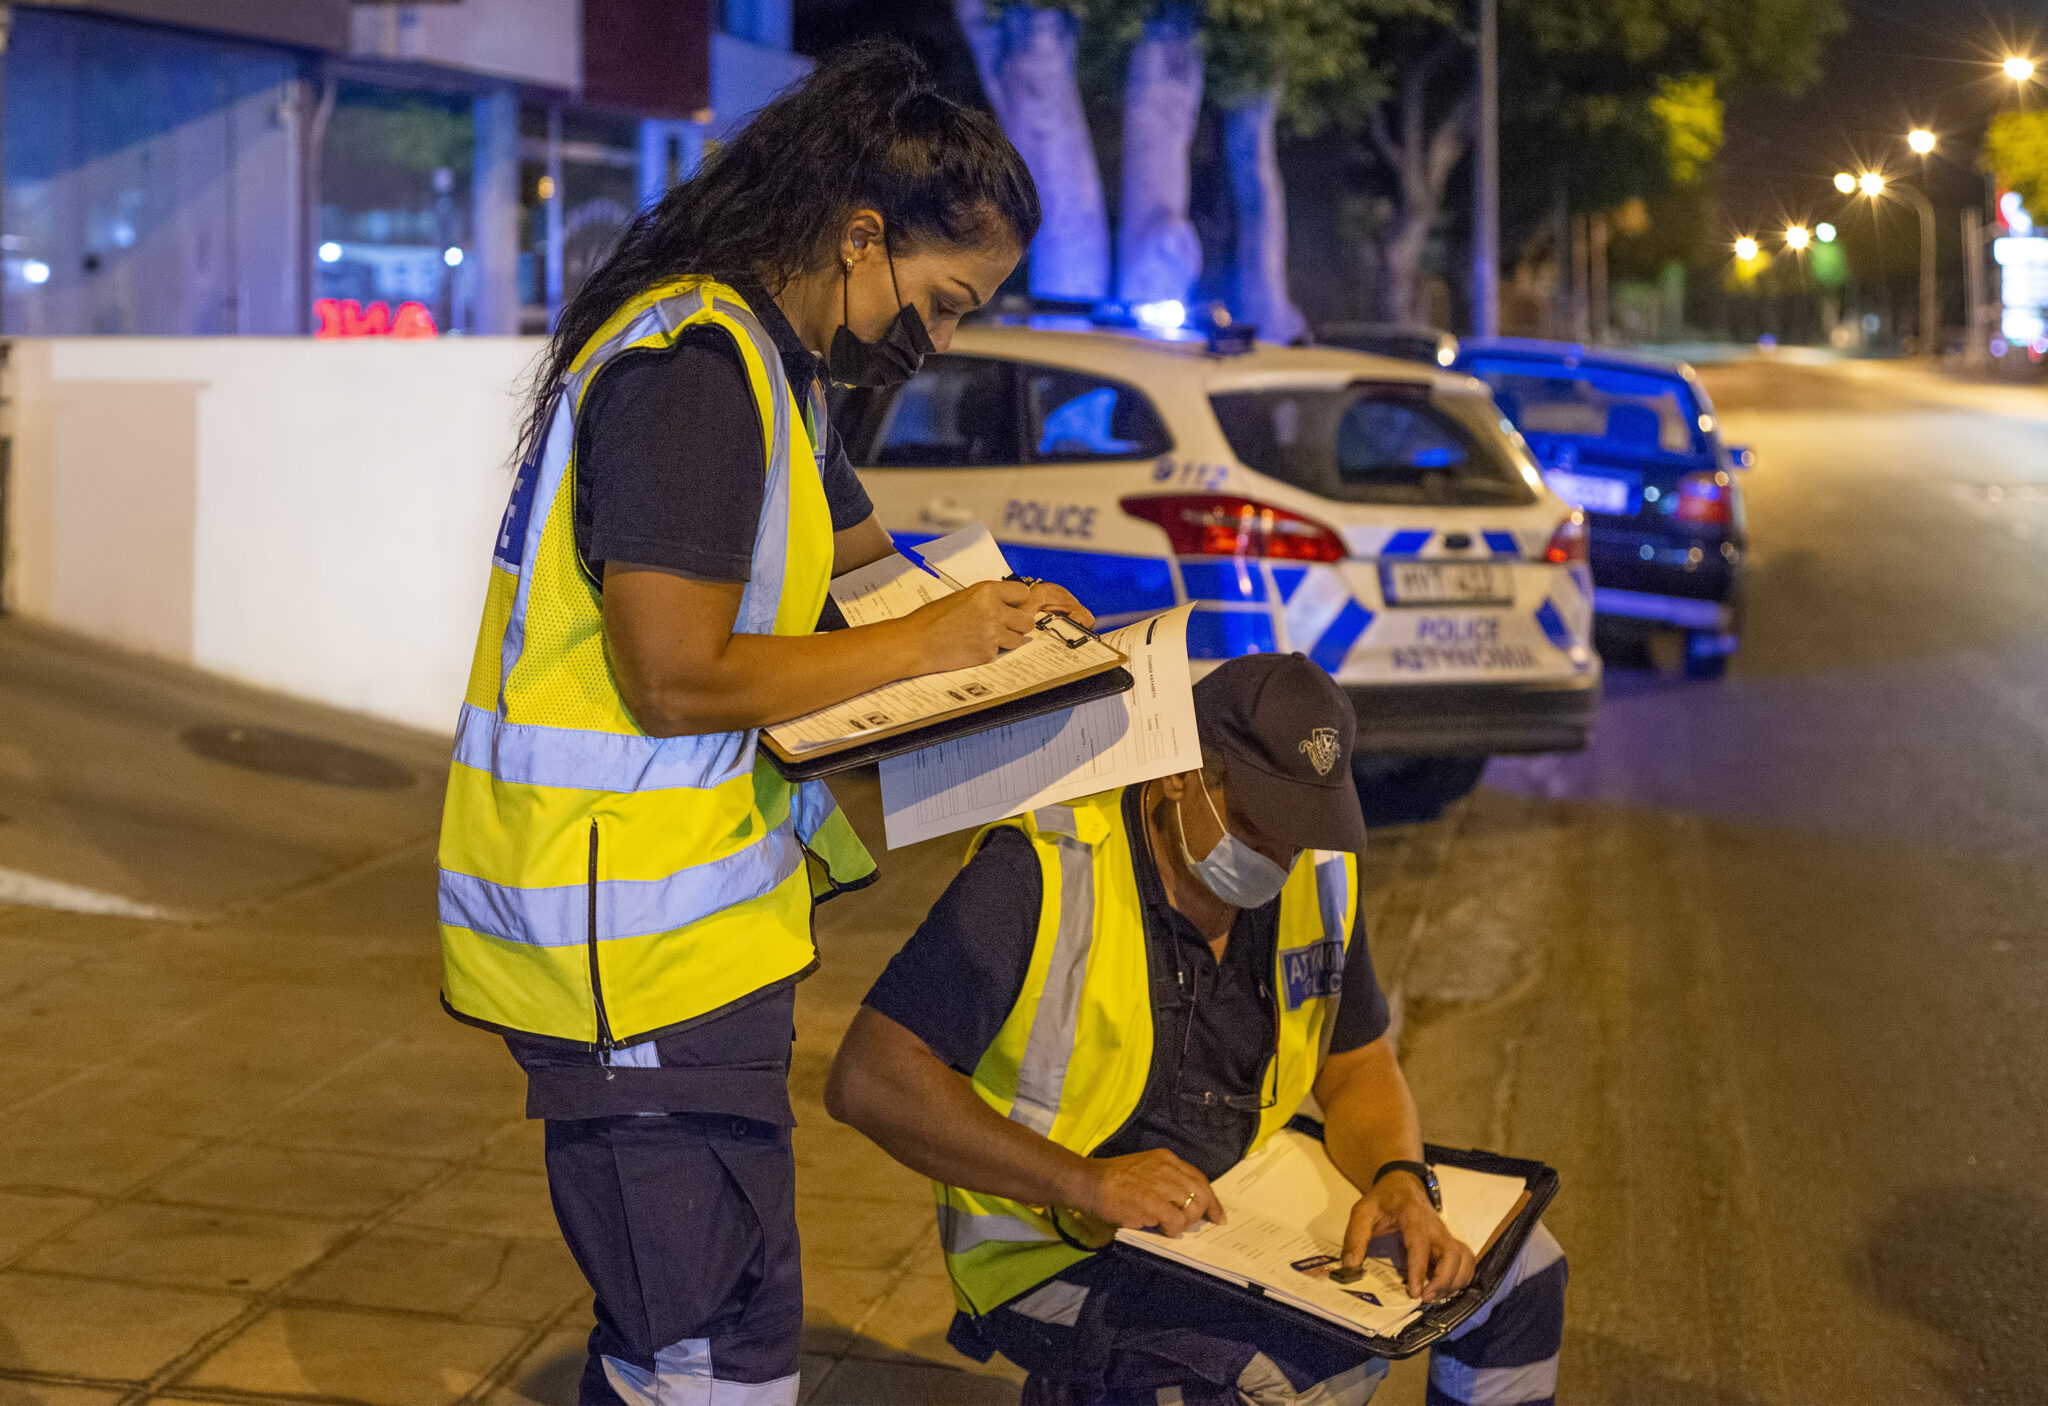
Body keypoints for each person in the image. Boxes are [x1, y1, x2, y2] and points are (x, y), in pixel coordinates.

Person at [435, 41, 1086, 1406]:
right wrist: (933, 642)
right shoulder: (692, 375)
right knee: (709, 1357)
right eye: (945, 299)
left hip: (695, 948)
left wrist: (1035, 648)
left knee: (715, 1336)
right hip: (621, 952)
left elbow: (867, 586)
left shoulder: (777, 370)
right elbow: (674, 676)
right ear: (862, 235)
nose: (944, 337)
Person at [826, 653, 1566, 1406]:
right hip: (1054, 1247)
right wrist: (1087, 1181)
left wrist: (1400, 1181)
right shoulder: (1046, 868)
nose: (1279, 856)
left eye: (1301, 829)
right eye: (1257, 822)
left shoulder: (1317, 874)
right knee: (1304, 1375)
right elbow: (869, 1078)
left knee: (1520, 1268)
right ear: (1179, 769)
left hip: (1233, 1219)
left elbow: (1358, 1064)